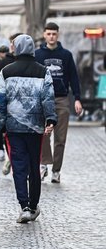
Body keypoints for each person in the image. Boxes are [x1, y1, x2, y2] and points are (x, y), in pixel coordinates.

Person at [0, 34, 57, 223]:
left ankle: (24, 205)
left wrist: (0, 125)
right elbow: (48, 98)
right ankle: (34, 204)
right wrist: (50, 119)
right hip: (35, 127)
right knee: (34, 166)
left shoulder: (6, 71)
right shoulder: (43, 71)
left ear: (17, 49)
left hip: (14, 127)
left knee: (19, 167)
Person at [35, 22, 83, 183]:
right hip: (43, 99)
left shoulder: (66, 55)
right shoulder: (37, 54)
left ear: (58, 35)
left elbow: (74, 78)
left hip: (62, 99)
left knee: (60, 138)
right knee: (43, 134)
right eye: (48, 33)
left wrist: (77, 98)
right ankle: (44, 164)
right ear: (44, 34)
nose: (51, 36)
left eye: (54, 34)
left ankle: (56, 170)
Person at [0, 33, 22, 175]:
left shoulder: (29, 62)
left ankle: (11, 158)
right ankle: (9, 157)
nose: (12, 46)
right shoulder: (4, 63)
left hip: (19, 106)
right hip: (10, 105)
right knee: (9, 136)